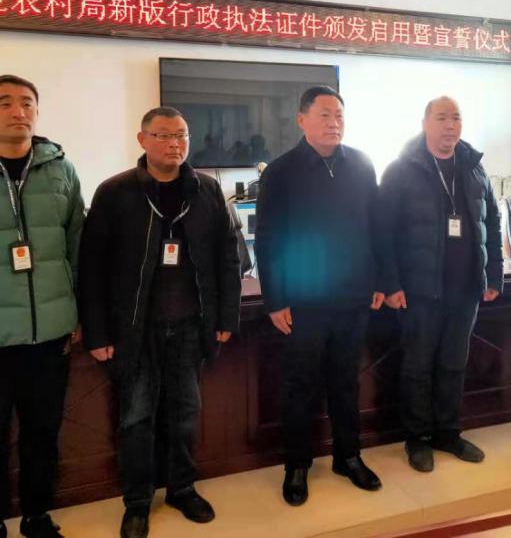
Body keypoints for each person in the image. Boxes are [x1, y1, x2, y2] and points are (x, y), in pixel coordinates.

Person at [79, 107, 240, 538]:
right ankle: (137, 501)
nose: (175, 144)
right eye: (164, 135)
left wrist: (226, 316)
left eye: (182, 135)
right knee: (136, 418)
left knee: (186, 413)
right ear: (142, 140)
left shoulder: (206, 189)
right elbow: (92, 268)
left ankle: (182, 489)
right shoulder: (115, 192)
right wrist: (97, 332)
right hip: (135, 330)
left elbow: (227, 257)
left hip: (189, 326)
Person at [255, 86, 383, 506]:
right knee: (300, 386)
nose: (334, 123)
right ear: (302, 120)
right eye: (325, 115)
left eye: (339, 115)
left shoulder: (361, 164)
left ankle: (349, 456)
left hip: (352, 298)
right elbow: (268, 240)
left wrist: (379, 280)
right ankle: (297, 466)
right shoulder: (281, 171)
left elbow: (376, 227)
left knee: (346, 382)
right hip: (304, 301)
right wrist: (275, 299)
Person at [376, 96, 502, 473]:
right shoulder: (402, 169)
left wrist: (493, 275)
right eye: (442, 117)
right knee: (417, 366)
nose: (450, 125)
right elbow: (383, 231)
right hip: (419, 290)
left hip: (465, 289)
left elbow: (492, 223)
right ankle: (417, 438)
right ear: (425, 123)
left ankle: (448, 432)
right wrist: (390, 283)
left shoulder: (474, 167)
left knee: (454, 364)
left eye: (456, 118)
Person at [0, 75, 84, 538]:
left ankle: (36, 516)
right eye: (5, 103)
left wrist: (79, 313)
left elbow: (78, 245)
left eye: (27, 103)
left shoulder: (60, 168)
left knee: (42, 431)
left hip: (50, 331)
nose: (18, 111)